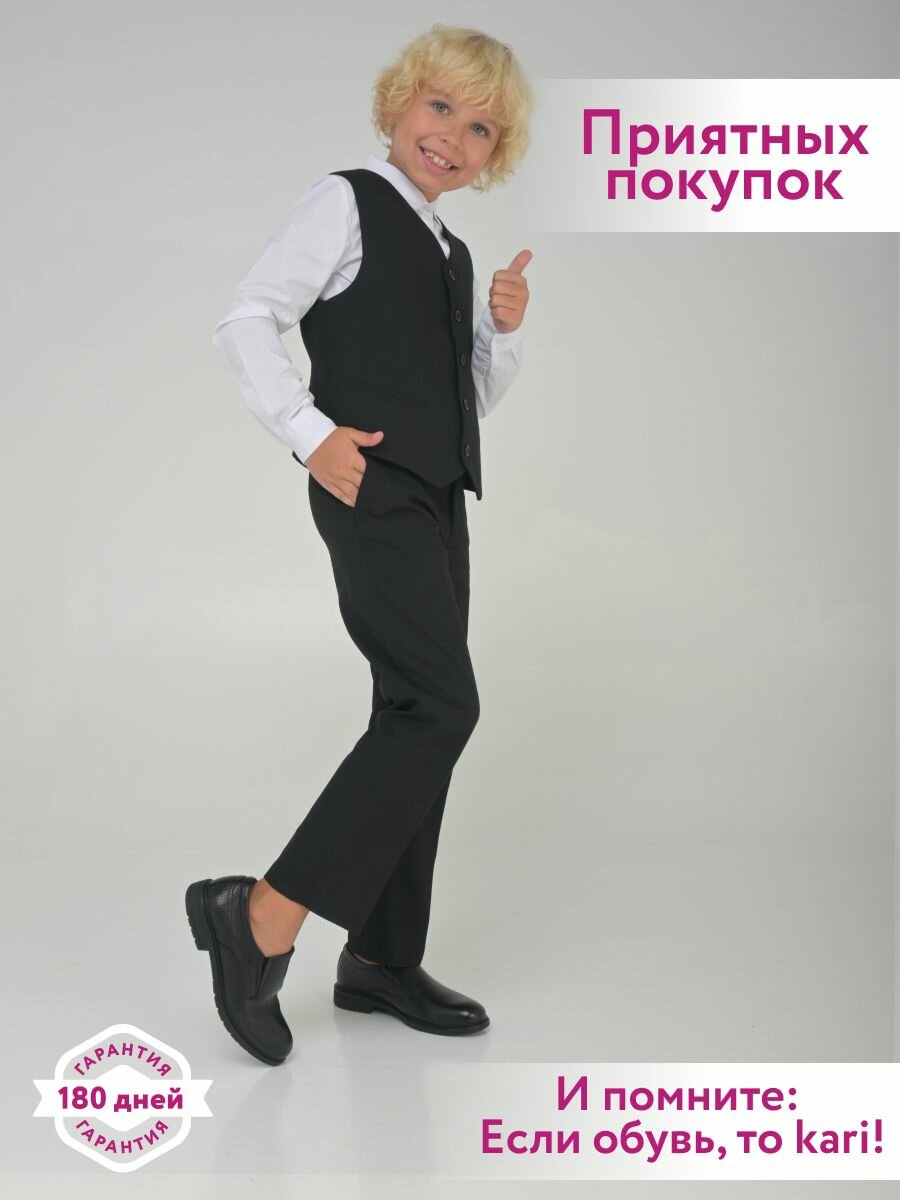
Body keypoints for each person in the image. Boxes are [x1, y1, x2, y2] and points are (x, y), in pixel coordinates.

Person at [186, 22, 534, 1065]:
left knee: (411, 712)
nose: (453, 136)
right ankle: (259, 914)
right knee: (441, 705)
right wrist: (309, 433)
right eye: (441, 107)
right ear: (398, 104)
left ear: (494, 155)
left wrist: (500, 333)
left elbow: (459, 401)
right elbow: (245, 318)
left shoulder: (451, 252)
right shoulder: (344, 202)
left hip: (437, 500)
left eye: (481, 128)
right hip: (369, 488)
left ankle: (382, 958)